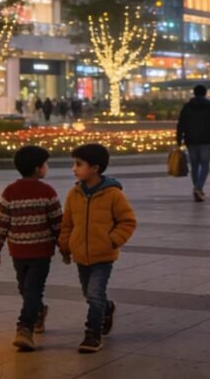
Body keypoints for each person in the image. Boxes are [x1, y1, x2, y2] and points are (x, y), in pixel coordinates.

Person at [59, 143, 137, 354]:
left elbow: (127, 221)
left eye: (79, 164)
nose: (74, 169)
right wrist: (65, 247)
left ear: (95, 168)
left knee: (94, 294)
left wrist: (111, 241)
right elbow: (67, 224)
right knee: (89, 293)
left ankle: (92, 334)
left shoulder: (113, 194)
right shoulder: (74, 194)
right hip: (80, 255)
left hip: (103, 255)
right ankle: (107, 307)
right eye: (74, 164)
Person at [0, 145, 63, 352]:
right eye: (45, 164)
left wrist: (64, 246)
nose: (47, 168)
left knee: (32, 289)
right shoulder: (11, 192)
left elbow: (58, 223)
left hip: (41, 253)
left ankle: (24, 329)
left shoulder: (47, 192)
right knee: (25, 288)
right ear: (38, 168)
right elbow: (1, 221)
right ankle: (39, 311)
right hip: (19, 252)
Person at [176, 84, 210, 202]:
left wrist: (179, 138)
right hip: (206, 139)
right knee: (205, 165)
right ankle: (198, 187)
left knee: (194, 165)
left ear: (194, 93)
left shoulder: (187, 106)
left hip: (190, 139)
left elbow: (181, 123)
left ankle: (197, 188)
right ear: (205, 93)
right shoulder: (209, 106)